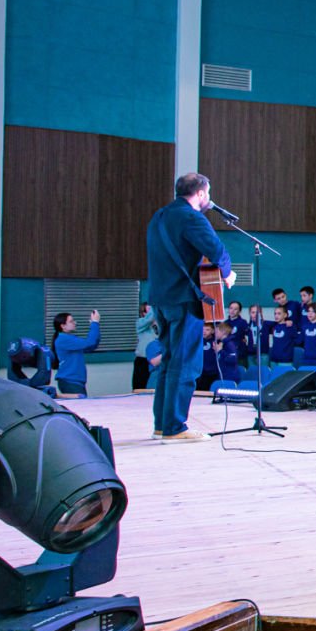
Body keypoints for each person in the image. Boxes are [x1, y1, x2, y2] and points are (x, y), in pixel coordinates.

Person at [144, 172, 234, 441]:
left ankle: (162, 424)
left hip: (160, 298)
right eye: (208, 193)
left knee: (170, 360)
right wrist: (227, 273)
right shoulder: (191, 217)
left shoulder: (159, 216)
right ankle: (175, 427)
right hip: (184, 299)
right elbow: (216, 250)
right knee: (185, 363)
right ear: (201, 193)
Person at [51, 310, 101, 398]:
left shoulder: (70, 338)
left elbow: (91, 346)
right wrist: (95, 323)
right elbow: (90, 342)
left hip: (75, 381)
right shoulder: (64, 339)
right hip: (70, 381)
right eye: (71, 321)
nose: (75, 323)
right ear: (63, 326)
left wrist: (95, 325)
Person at [134, 303, 158, 390]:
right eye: (148, 311)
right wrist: (155, 305)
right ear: (143, 313)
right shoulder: (140, 323)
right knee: (140, 386)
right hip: (143, 360)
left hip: (156, 361)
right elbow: (149, 319)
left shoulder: (160, 325)